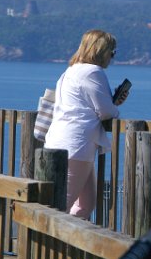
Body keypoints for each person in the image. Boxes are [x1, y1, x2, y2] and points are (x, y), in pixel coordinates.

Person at [45, 29, 129, 219]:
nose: (112, 57)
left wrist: (111, 102)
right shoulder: (93, 72)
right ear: (101, 50)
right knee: (61, 207)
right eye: (111, 52)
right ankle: (48, 245)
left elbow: (86, 104)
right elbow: (106, 112)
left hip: (63, 141)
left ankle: (68, 246)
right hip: (77, 145)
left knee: (86, 203)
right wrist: (115, 108)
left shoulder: (71, 71)